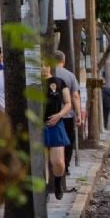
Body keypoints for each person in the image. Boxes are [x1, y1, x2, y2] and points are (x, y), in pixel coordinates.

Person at [41, 63, 72, 200]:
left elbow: (68, 103)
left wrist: (60, 115)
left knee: (58, 162)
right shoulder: (30, 83)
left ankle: (58, 182)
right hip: (37, 125)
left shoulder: (59, 82)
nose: (42, 67)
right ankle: (45, 190)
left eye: (44, 64)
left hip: (55, 124)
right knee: (42, 161)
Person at [54, 50, 82, 174]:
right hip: (67, 115)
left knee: (55, 142)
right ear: (63, 61)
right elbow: (75, 96)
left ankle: (56, 166)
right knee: (68, 141)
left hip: (51, 115)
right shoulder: (70, 75)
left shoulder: (47, 74)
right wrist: (79, 114)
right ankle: (65, 166)